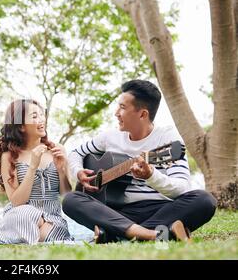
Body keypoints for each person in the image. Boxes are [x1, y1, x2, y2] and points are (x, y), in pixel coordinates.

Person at [62, 80, 217, 243]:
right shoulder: (109, 137)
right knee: (72, 200)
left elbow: (182, 188)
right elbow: (76, 153)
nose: (116, 113)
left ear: (143, 114)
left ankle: (117, 234)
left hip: (160, 210)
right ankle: (154, 234)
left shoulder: (167, 139)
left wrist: (151, 176)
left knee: (205, 200)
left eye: (122, 107)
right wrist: (78, 171)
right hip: (118, 213)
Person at [0, 99, 73, 244]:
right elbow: (17, 202)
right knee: (27, 214)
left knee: (49, 235)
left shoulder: (57, 151)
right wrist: (32, 166)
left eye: (41, 115)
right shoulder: (9, 157)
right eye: (34, 116)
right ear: (21, 127)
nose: (41, 120)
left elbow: (66, 193)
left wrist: (61, 168)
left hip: (53, 219)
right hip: (22, 215)